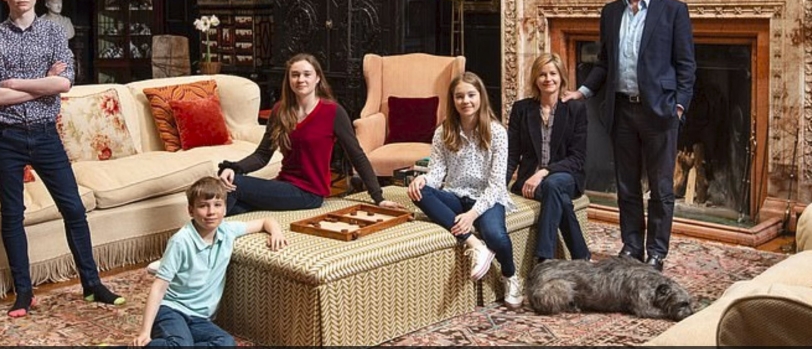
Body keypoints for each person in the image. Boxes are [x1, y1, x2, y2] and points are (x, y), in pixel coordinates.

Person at [0, 0, 123, 317]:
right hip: (6, 137)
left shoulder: (54, 32)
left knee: (73, 208)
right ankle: (24, 294)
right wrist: (42, 85)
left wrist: (17, 84)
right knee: (12, 215)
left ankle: (92, 284)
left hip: (45, 135)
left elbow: (65, 83)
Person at [562, 0, 695, 273]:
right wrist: (581, 92)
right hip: (621, 111)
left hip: (660, 113)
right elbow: (604, 63)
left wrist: (678, 106)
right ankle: (632, 245)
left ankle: (657, 252)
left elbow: (686, 65)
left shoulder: (673, 11)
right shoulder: (610, 13)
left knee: (662, 188)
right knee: (626, 185)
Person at [217, 53, 403, 215]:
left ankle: (202, 243)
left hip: (309, 193)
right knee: (229, 200)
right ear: (288, 80)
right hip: (284, 185)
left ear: (317, 79)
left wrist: (378, 198)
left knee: (234, 187)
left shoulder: (333, 112)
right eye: (295, 75)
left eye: (307, 74)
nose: (301, 80)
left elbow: (356, 155)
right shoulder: (280, 111)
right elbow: (262, 155)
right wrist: (234, 168)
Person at [407, 72, 522, 308]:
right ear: (453, 100)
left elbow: (497, 185)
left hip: (487, 198)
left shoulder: (497, 132)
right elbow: (437, 173)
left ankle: (511, 277)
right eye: (459, 96)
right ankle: (475, 245)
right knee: (419, 192)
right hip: (456, 195)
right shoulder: (444, 132)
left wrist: (472, 215)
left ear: (480, 97)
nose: (465, 101)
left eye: (471, 95)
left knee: (495, 235)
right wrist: (424, 180)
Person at [132, 176, 286, 347]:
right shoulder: (180, 241)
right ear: (191, 211)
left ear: (225, 209)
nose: (211, 212)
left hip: (199, 318)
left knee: (226, 343)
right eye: (203, 206)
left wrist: (276, 232)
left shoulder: (228, 230)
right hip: (172, 310)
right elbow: (158, 288)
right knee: (181, 345)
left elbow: (266, 221)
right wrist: (144, 332)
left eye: (217, 205)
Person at [507, 53, 591, 263]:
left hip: (566, 177)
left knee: (554, 185)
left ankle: (544, 259)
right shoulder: (522, 109)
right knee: (559, 198)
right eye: (542, 74)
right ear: (535, 79)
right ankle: (582, 257)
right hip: (529, 181)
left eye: (553, 73)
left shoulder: (575, 109)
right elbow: (512, 154)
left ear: (561, 77)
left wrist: (544, 172)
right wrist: (498, 187)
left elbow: (577, 158)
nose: (548, 79)